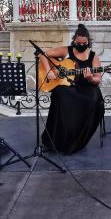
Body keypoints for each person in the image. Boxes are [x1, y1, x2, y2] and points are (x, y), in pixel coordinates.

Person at [39, 24, 105, 154]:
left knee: (93, 99)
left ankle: (76, 140)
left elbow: (97, 80)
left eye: (84, 43)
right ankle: (54, 140)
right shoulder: (66, 50)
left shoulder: (93, 56)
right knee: (60, 94)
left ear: (88, 42)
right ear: (74, 40)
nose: (81, 45)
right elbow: (42, 55)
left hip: (86, 87)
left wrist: (91, 78)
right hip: (68, 86)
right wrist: (49, 71)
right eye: (78, 42)